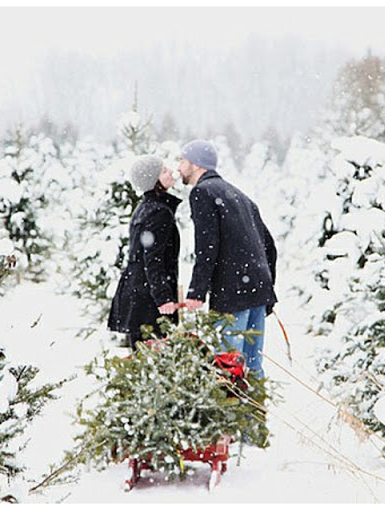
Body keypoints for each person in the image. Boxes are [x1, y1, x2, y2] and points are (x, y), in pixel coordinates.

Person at [178, 139, 277, 378]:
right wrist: (268, 287)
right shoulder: (240, 195)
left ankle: (234, 415)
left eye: (182, 161)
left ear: (196, 164)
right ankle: (255, 413)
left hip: (233, 293)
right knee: (253, 368)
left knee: (228, 367)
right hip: (258, 290)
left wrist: (197, 292)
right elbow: (270, 246)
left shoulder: (202, 192)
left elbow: (207, 246)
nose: (178, 167)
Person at [107, 155, 181, 351]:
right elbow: (153, 259)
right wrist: (163, 297)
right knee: (153, 360)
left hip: (139, 295)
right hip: (148, 300)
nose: (171, 172)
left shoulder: (146, 208)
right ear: (153, 180)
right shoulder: (159, 212)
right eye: (164, 171)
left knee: (143, 358)